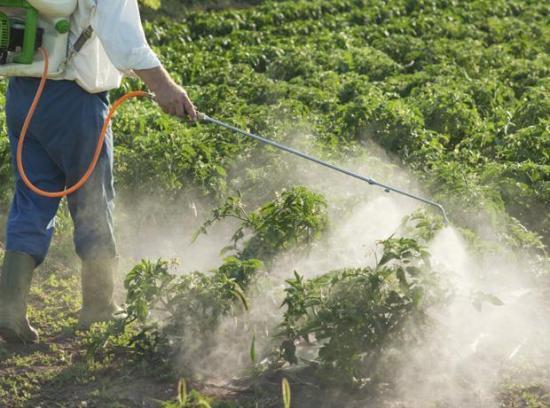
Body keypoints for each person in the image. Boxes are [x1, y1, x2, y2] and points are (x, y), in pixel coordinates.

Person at [0, 0, 197, 344]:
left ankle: (8, 311)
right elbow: (125, 39)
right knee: (93, 200)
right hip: (74, 102)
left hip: (22, 96)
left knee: (30, 201)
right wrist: (164, 87)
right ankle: (99, 306)